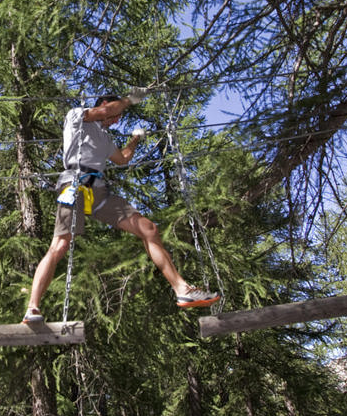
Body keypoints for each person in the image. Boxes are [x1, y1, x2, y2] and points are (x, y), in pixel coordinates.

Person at [22, 89, 220, 323]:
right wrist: (129, 100)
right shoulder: (77, 117)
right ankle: (33, 307)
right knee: (61, 244)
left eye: (118, 117)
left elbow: (122, 158)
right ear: (104, 103)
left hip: (100, 193)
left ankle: (182, 290)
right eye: (115, 114)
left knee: (149, 229)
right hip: (75, 184)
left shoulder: (106, 138)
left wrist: (135, 140)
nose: (117, 119)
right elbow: (107, 110)